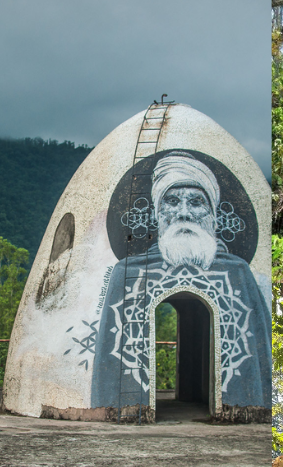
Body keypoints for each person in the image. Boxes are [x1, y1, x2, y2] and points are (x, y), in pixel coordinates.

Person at [90, 151, 270, 411]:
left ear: (214, 215)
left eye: (196, 202)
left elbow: (258, 358)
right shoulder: (127, 272)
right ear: (156, 214)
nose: (184, 213)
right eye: (172, 201)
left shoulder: (238, 273)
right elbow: (109, 359)